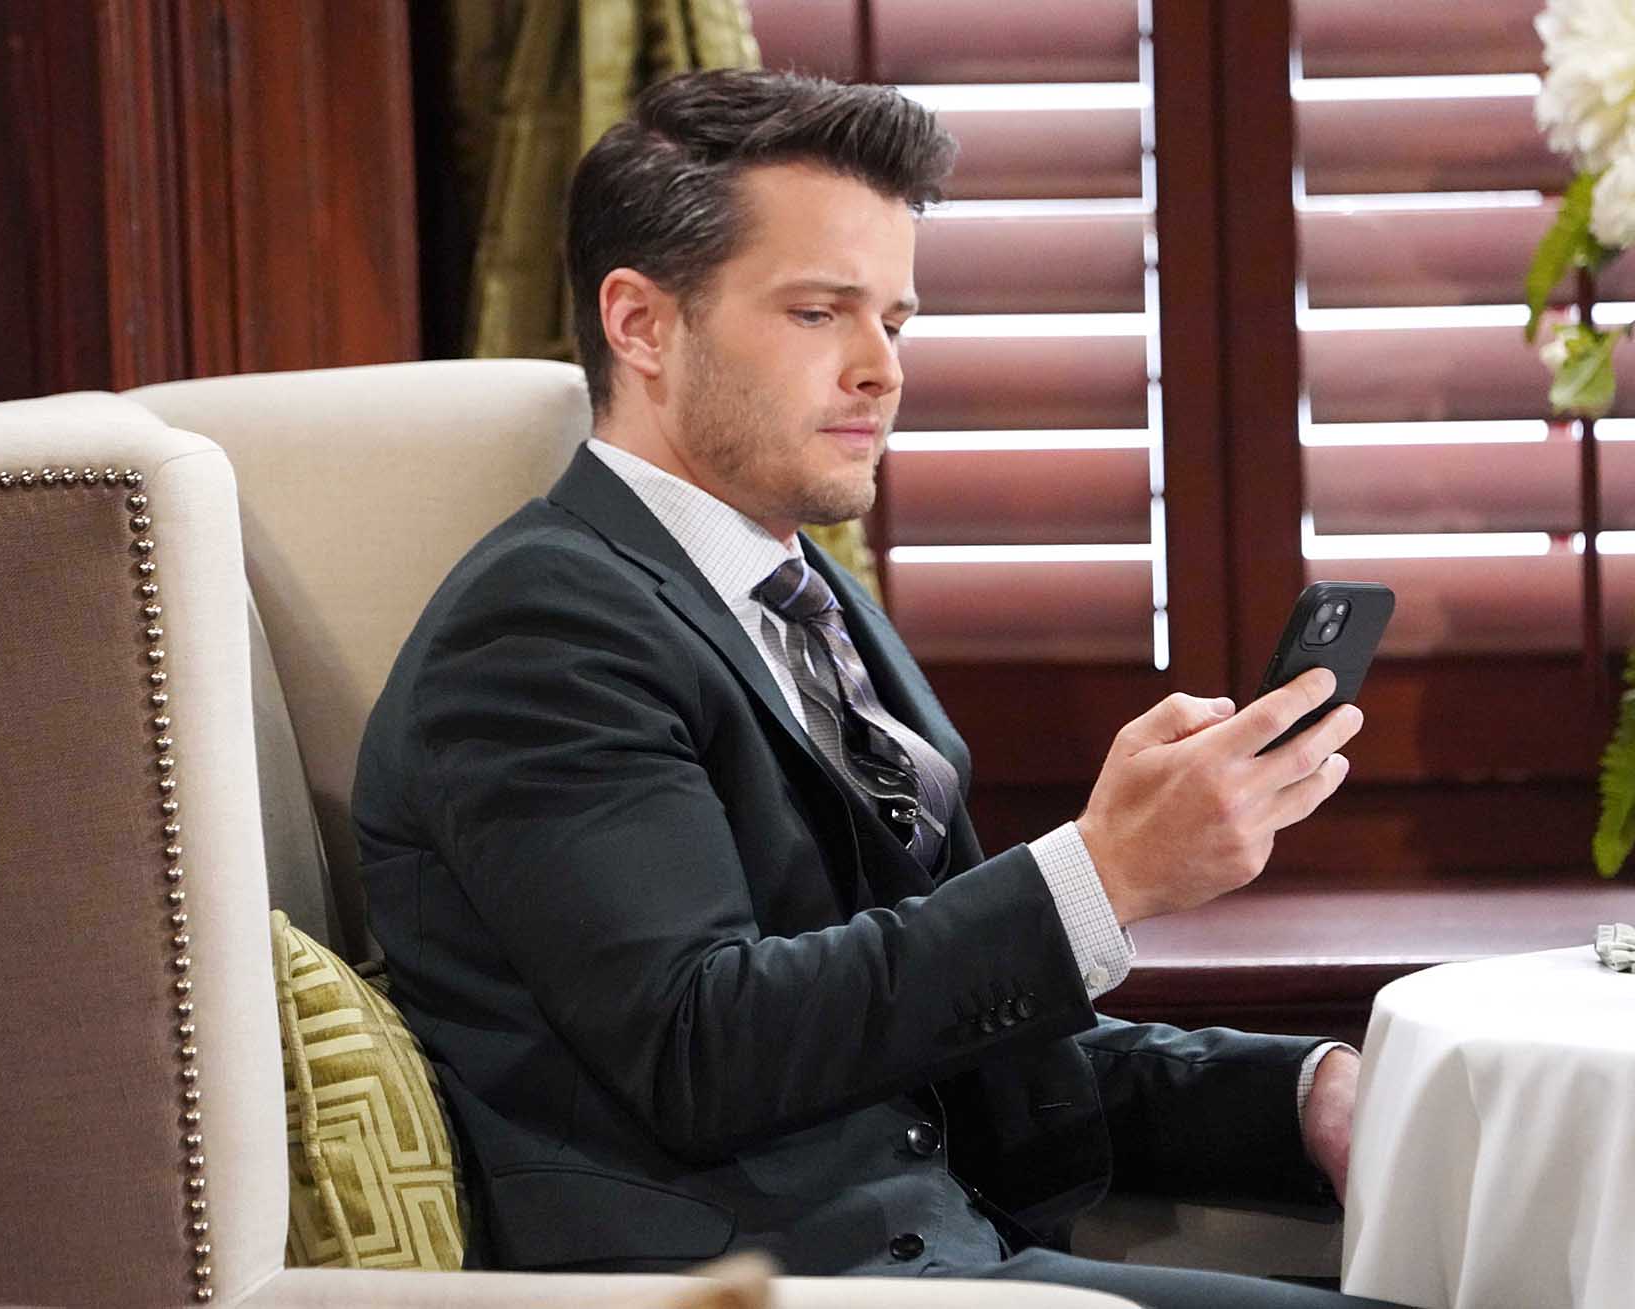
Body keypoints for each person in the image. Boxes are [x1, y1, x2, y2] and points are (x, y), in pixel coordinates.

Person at [354, 69, 1395, 1308]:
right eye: (818, 313)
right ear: (639, 325)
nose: (879, 370)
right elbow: (701, 1046)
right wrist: (1103, 872)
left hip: (957, 1259)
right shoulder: (538, 629)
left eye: (894, 322)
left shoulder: (814, 603)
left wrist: (1299, 1097)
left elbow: (945, 1030)